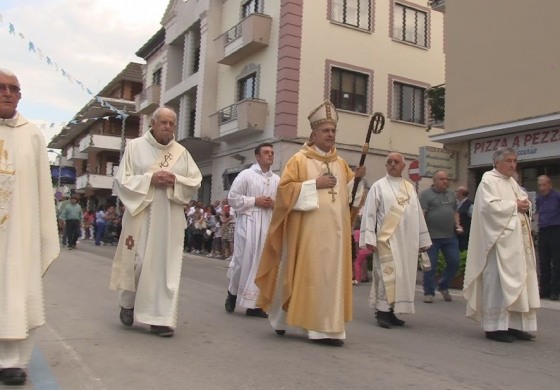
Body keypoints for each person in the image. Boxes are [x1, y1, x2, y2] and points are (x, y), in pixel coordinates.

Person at [255, 100, 365, 347]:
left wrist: (356, 183)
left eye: (333, 131)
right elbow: (284, 192)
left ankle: (329, 327)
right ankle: (293, 321)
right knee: (307, 276)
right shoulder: (299, 160)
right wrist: (313, 184)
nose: (330, 134)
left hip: (336, 233)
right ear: (313, 134)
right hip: (307, 233)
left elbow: (350, 199)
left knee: (329, 277)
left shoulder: (341, 163)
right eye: (325, 130)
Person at [110, 106, 202, 337]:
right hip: (141, 213)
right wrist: (150, 178)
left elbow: (195, 181)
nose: (168, 127)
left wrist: (175, 180)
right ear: (153, 123)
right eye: (163, 122)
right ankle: (128, 303)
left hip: (169, 217)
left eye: (172, 123)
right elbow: (122, 181)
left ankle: (159, 318)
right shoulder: (134, 147)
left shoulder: (181, 152)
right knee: (138, 262)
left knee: (164, 267)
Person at [0, 68, 60, 385]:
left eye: (14, 88)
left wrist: (43, 232)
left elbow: (42, 189)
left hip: (19, 231)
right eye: (1, 87)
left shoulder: (32, 134)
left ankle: (12, 361)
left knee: (17, 291)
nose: (8, 93)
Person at [464, 147, 540, 342]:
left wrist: (525, 205)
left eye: (515, 161)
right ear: (497, 162)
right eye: (509, 161)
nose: (513, 165)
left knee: (520, 282)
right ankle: (494, 327)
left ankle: (512, 325)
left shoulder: (512, 182)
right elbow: (488, 208)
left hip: (517, 246)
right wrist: (515, 206)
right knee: (497, 284)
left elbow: (523, 202)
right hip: (497, 245)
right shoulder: (488, 181)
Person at [360, 152, 431, 328]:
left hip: (407, 240)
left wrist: (423, 240)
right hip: (387, 240)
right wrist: (369, 238)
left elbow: (417, 215)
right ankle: (382, 311)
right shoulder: (378, 186)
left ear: (403, 166)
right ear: (386, 166)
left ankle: (392, 311)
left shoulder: (409, 188)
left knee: (401, 277)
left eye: (396, 162)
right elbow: (369, 213)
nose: (392, 164)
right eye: (389, 162)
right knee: (386, 276)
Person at [225, 143, 280, 317]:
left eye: (272, 152)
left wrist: (274, 204)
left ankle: (255, 305)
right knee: (243, 261)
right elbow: (232, 198)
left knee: (262, 263)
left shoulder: (277, 180)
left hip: (267, 223)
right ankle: (232, 293)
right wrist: (255, 201)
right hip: (248, 223)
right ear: (257, 156)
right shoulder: (246, 175)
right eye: (266, 152)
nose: (270, 155)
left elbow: (283, 202)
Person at [419, 170, 461, 303]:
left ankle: (443, 285)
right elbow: (422, 215)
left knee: (454, 262)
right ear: (434, 181)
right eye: (442, 179)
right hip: (432, 237)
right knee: (430, 265)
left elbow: (455, 212)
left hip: (449, 236)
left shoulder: (451, 194)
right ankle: (429, 292)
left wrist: (458, 225)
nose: (445, 181)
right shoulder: (426, 195)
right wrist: (421, 235)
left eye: (446, 179)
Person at [535, 175, 560, 300]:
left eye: (544, 185)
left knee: (556, 262)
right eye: (539, 185)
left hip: (555, 230)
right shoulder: (539, 199)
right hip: (543, 231)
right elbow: (538, 213)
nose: (541, 188)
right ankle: (544, 290)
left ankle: (555, 291)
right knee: (543, 262)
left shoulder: (557, 196)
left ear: (550, 184)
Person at [455, 186, 473, 252]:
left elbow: (473, 220)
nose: (456, 193)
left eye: (457, 192)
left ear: (461, 193)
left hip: (465, 235)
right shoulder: (457, 204)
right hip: (457, 234)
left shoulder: (470, 205)